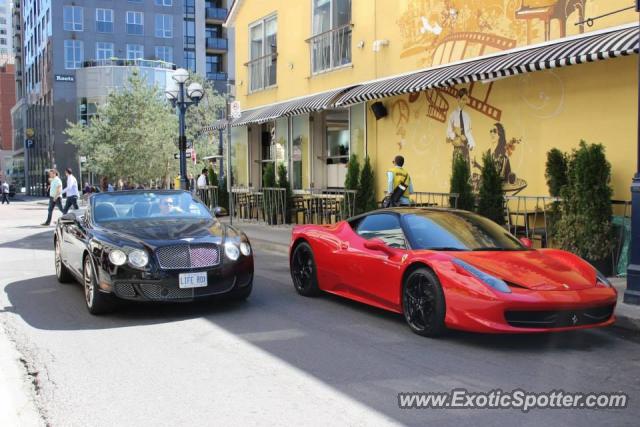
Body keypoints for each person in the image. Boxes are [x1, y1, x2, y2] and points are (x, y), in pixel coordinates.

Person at [446, 88, 476, 171]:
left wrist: (471, 144)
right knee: (457, 176)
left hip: (466, 150)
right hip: (457, 151)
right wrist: (456, 134)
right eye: (463, 99)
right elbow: (448, 134)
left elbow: (469, 132)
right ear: (458, 99)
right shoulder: (452, 115)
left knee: (466, 176)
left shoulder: (467, 116)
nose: (465, 102)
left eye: (466, 100)